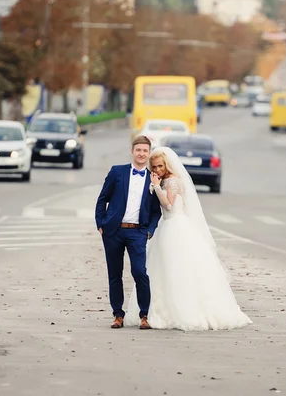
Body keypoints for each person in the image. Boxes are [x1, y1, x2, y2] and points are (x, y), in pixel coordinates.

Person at [123, 147, 252, 331]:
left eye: (160, 166)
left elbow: (168, 205)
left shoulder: (173, 180)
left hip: (176, 226)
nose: (158, 170)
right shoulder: (163, 179)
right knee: (162, 268)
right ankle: (156, 309)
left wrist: (156, 187)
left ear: (166, 165)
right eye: (155, 167)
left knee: (179, 268)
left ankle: (182, 309)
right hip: (166, 227)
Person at [95, 135, 162, 330]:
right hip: (113, 231)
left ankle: (144, 315)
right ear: (132, 151)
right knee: (114, 274)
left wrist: (149, 231)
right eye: (138, 150)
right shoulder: (117, 172)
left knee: (140, 272)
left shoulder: (153, 178)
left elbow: (157, 211)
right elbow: (102, 199)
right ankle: (118, 315)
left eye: (145, 151)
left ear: (149, 154)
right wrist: (101, 223)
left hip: (137, 232)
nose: (141, 153)